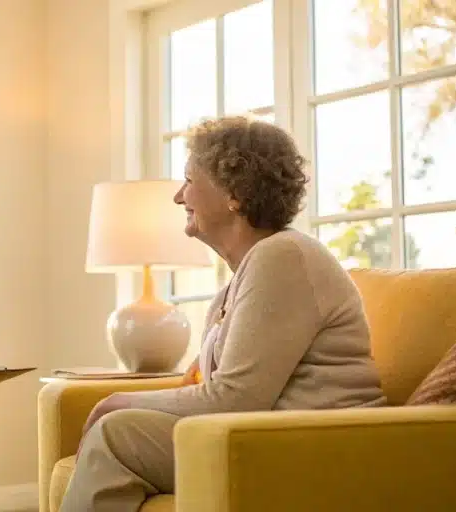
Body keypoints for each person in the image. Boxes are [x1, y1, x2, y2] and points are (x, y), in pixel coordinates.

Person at [59, 115, 387, 511]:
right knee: (117, 433)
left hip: (319, 444)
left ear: (234, 193)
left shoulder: (283, 257)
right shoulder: (241, 281)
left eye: (189, 181)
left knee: (116, 433)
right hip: (269, 435)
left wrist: (119, 401)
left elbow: (234, 398)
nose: (180, 197)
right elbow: (219, 392)